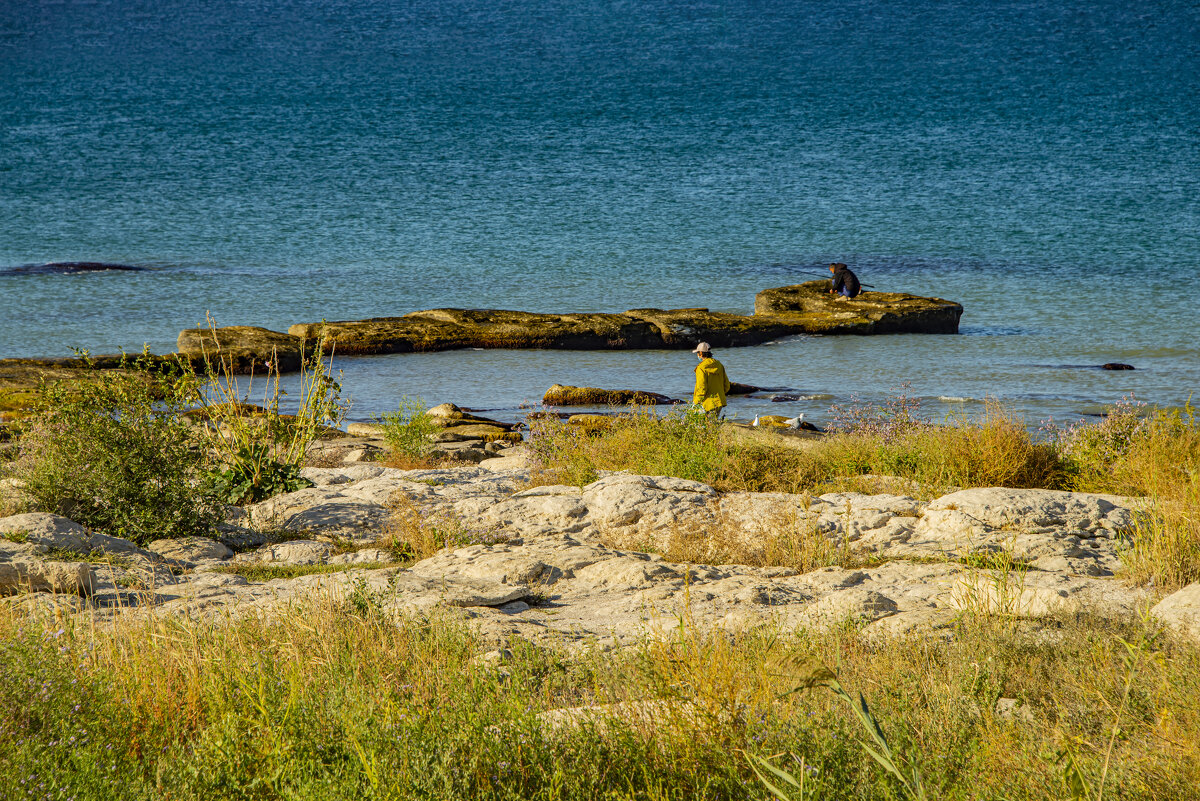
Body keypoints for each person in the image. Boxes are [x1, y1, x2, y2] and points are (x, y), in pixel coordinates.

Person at [692, 342, 730, 417]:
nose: (697, 355)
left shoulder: (701, 368)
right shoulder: (719, 365)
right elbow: (727, 386)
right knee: (713, 425)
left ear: (701, 354)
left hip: (707, 403)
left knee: (704, 426)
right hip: (719, 402)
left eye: (697, 353)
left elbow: (702, 388)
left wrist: (696, 402)